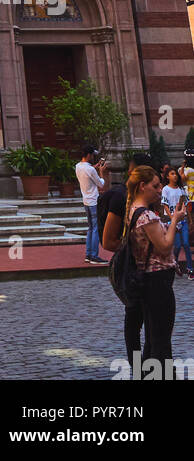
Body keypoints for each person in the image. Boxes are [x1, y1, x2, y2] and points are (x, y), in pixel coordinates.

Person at [124, 164, 184, 369]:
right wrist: (175, 220)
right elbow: (165, 247)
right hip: (157, 280)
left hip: (147, 278)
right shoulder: (146, 216)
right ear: (143, 186)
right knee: (161, 340)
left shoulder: (132, 210)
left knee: (153, 338)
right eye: (156, 186)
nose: (160, 190)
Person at [99, 151, 153, 363]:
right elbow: (108, 241)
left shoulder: (149, 198)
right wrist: (134, 251)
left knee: (152, 322)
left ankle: (150, 366)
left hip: (152, 271)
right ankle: (138, 366)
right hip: (132, 270)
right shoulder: (120, 197)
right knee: (134, 318)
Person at [75, 145, 109, 265]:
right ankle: (94, 255)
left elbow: (87, 173)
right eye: (92, 155)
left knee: (90, 228)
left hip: (86, 201)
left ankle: (89, 254)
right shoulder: (90, 170)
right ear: (89, 155)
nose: (93, 156)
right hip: (94, 201)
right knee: (95, 229)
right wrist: (101, 172)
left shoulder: (78, 167)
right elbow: (101, 184)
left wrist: (95, 168)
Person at [162, 167, 192, 277]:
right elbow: (165, 205)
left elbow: (186, 205)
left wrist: (190, 220)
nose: (175, 176)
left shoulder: (181, 189)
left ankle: (190, 269)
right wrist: (173, 218)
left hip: (183, 221)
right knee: (177, 245)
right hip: (172, 222)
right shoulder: (165, 189)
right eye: (172, 173)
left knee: (186, 244)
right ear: (167, 176)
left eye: (176, 174)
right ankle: (174, 264)